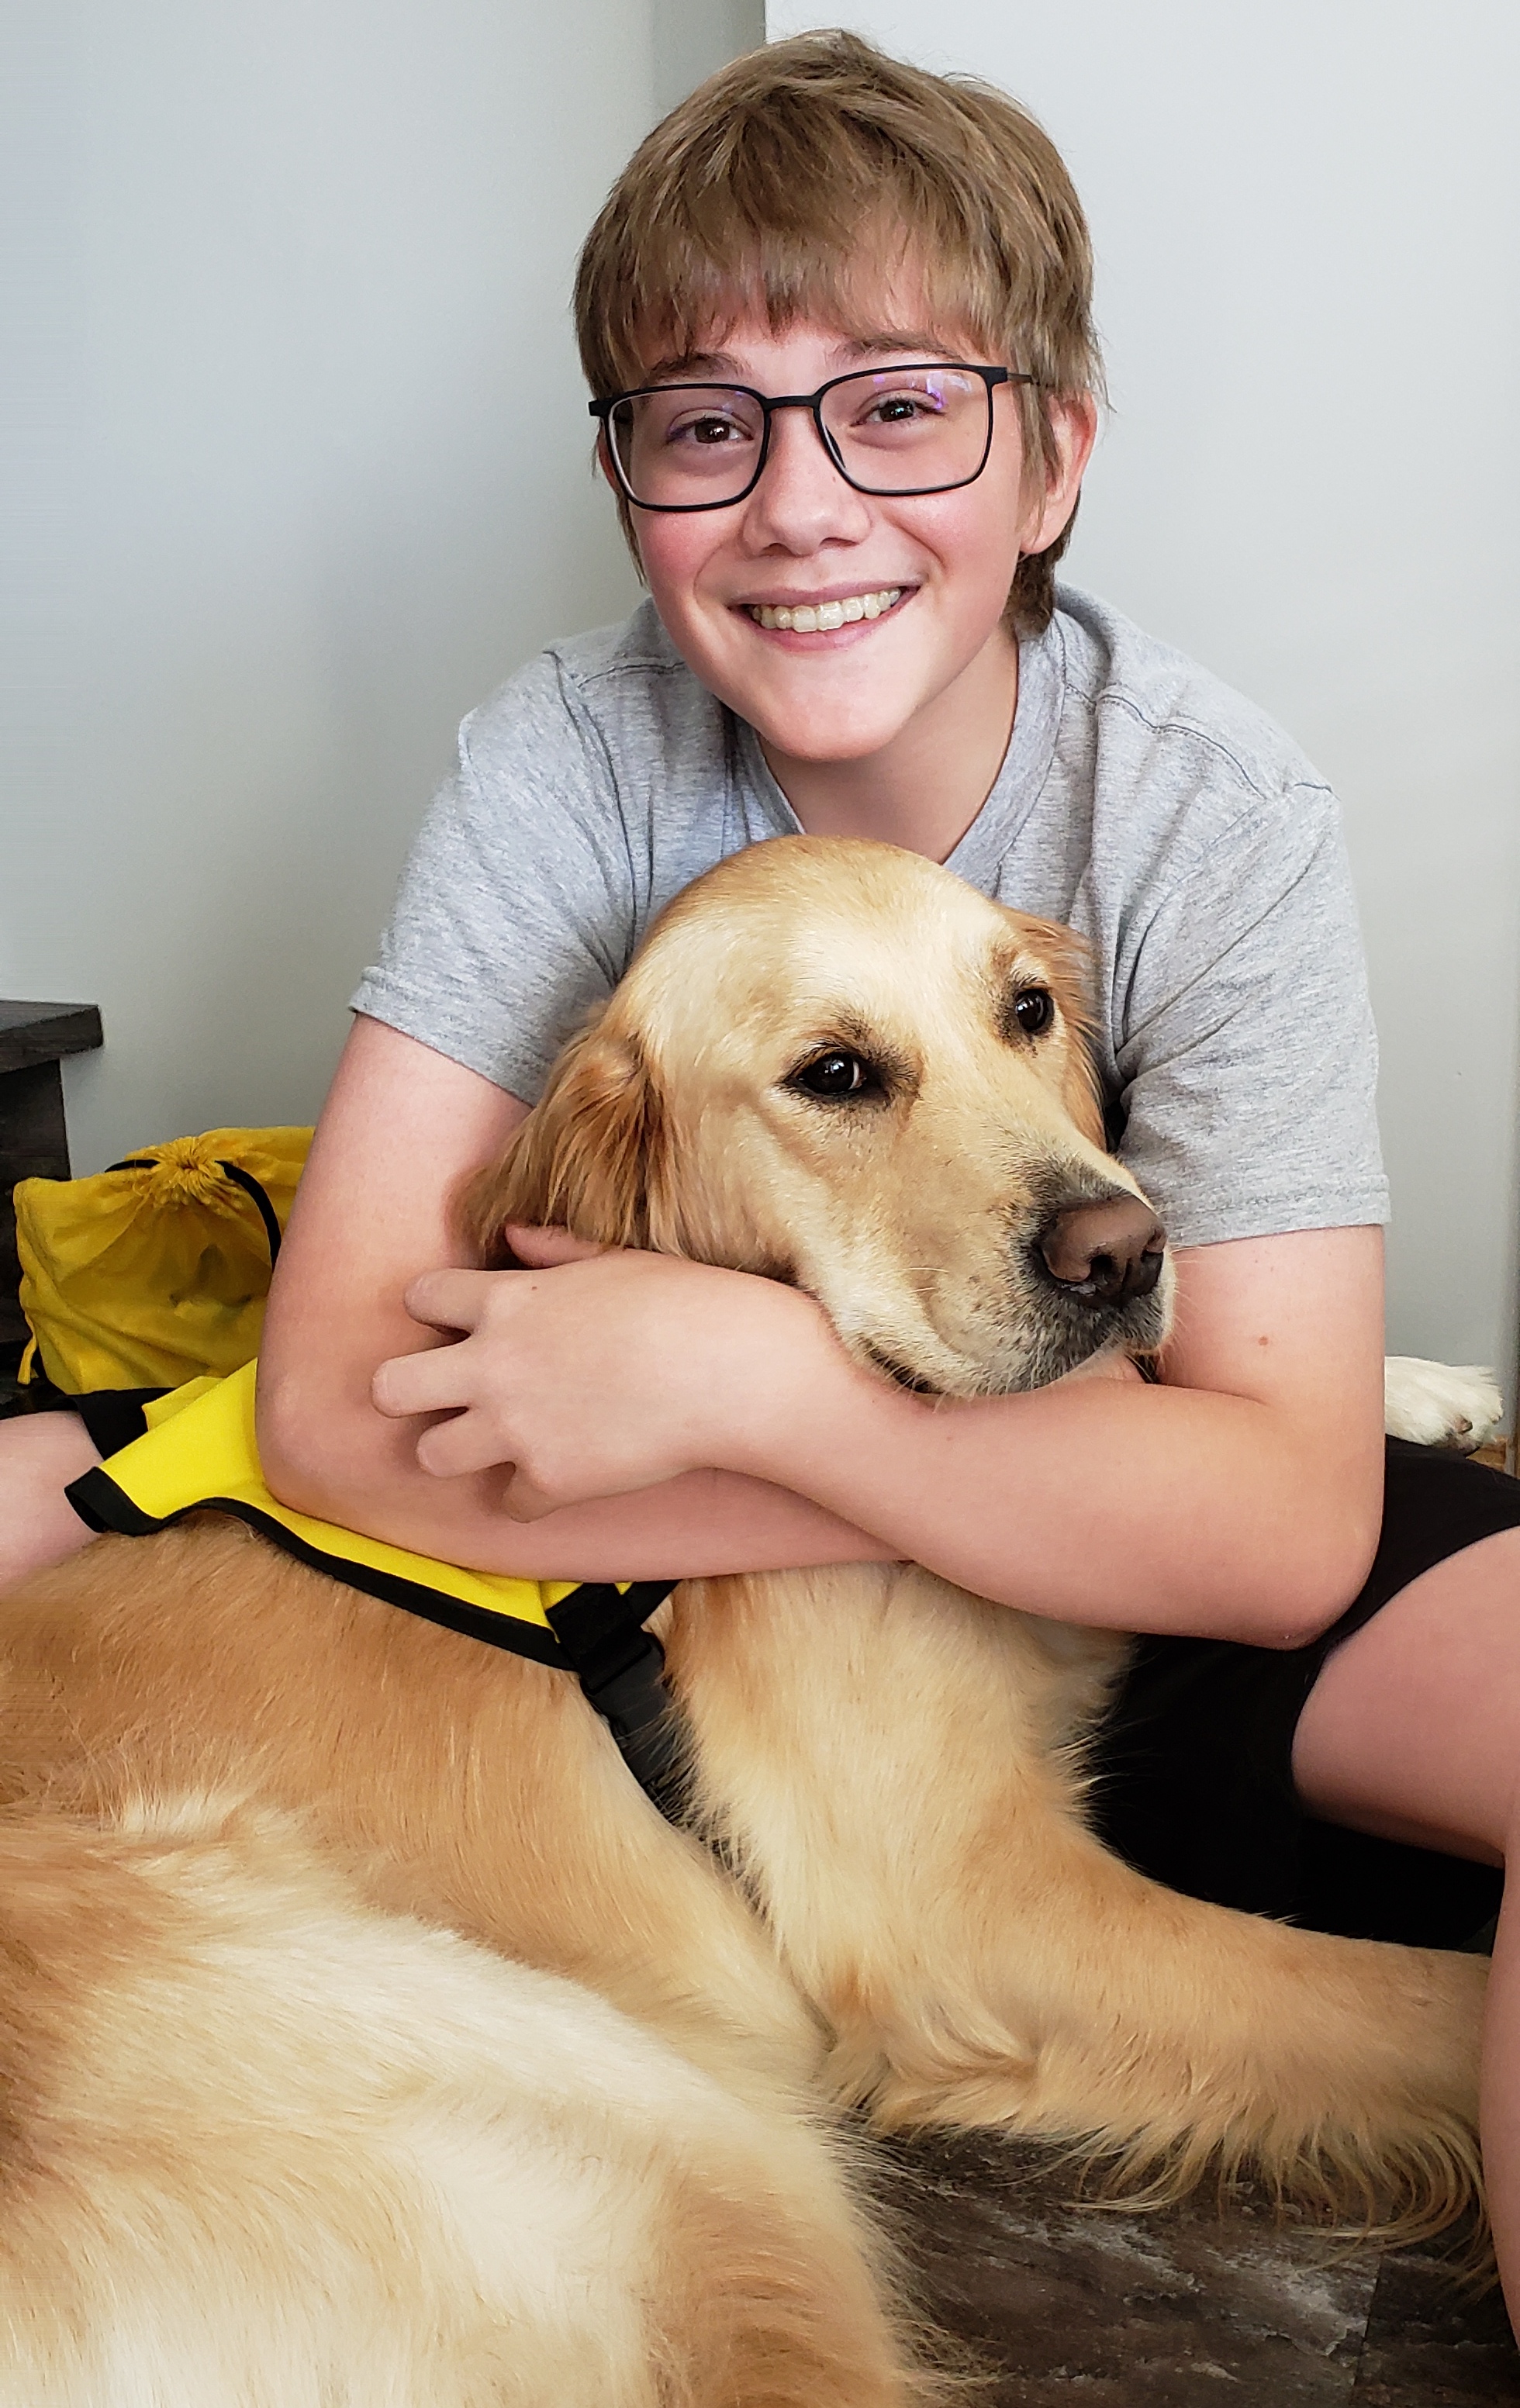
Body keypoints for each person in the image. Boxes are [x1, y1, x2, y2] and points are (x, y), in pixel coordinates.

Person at [4, 29, 1518, 2317]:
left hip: (1153, 1512)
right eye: (711, 426)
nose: (805, 502)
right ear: (632, 480)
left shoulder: (1209, 808)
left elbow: (1274, 1500)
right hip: (367, 1861)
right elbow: (333, 1403)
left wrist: (768, 1387)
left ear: (1053, 456)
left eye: (900, 403)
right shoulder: (572, 763)